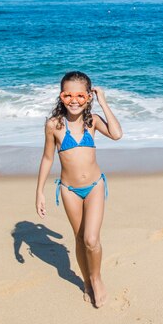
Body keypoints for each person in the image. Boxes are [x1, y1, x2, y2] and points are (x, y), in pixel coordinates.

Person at [35, 71, 122, 308]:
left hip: (94, 187)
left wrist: (103, 101)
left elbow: (116, 134)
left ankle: (97, 278)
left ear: (88, 97)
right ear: (61, 96)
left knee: (92, 239)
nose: (74, 100)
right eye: (68, 95)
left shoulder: (92, 120)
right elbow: (46, 159)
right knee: (79, 238)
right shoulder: (54, 125)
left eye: (80, 96)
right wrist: (40, 192)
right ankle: (85, 280)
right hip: (69, 190)